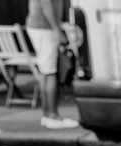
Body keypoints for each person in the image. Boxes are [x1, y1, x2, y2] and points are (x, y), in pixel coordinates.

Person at [26, 0, 79, 130]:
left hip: (40, 26)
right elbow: (46, 7)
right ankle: (53, 116)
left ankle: (47, 114)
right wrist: (57, 30)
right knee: (50, 73)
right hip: (45, 28)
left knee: (45, 71)